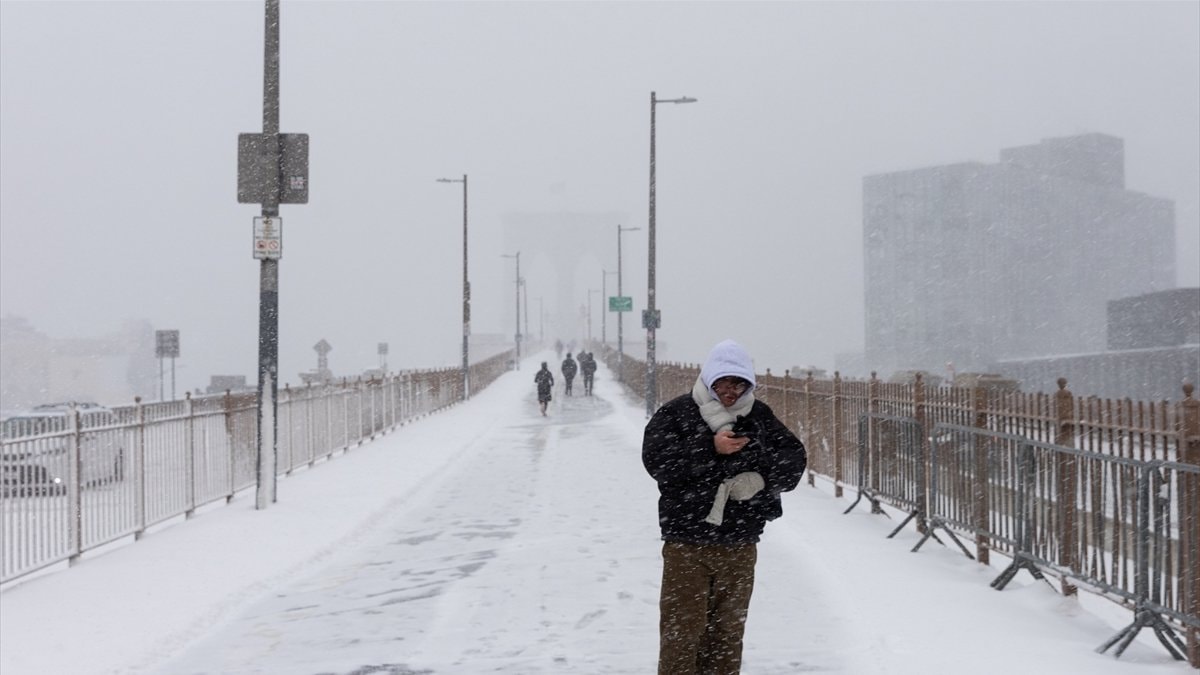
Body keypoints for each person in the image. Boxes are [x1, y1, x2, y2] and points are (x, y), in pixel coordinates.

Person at [642, 339, 807, 675]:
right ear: (709, 380)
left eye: (738, 384)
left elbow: (793, 461)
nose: (730, 392)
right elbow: (659, 463)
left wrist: (760, 478)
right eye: (722, 383)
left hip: (740, 544)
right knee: (681, 632)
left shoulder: (758, 416)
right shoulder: (678, 413)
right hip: (687, 543)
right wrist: (709, 447)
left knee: (727, 636)